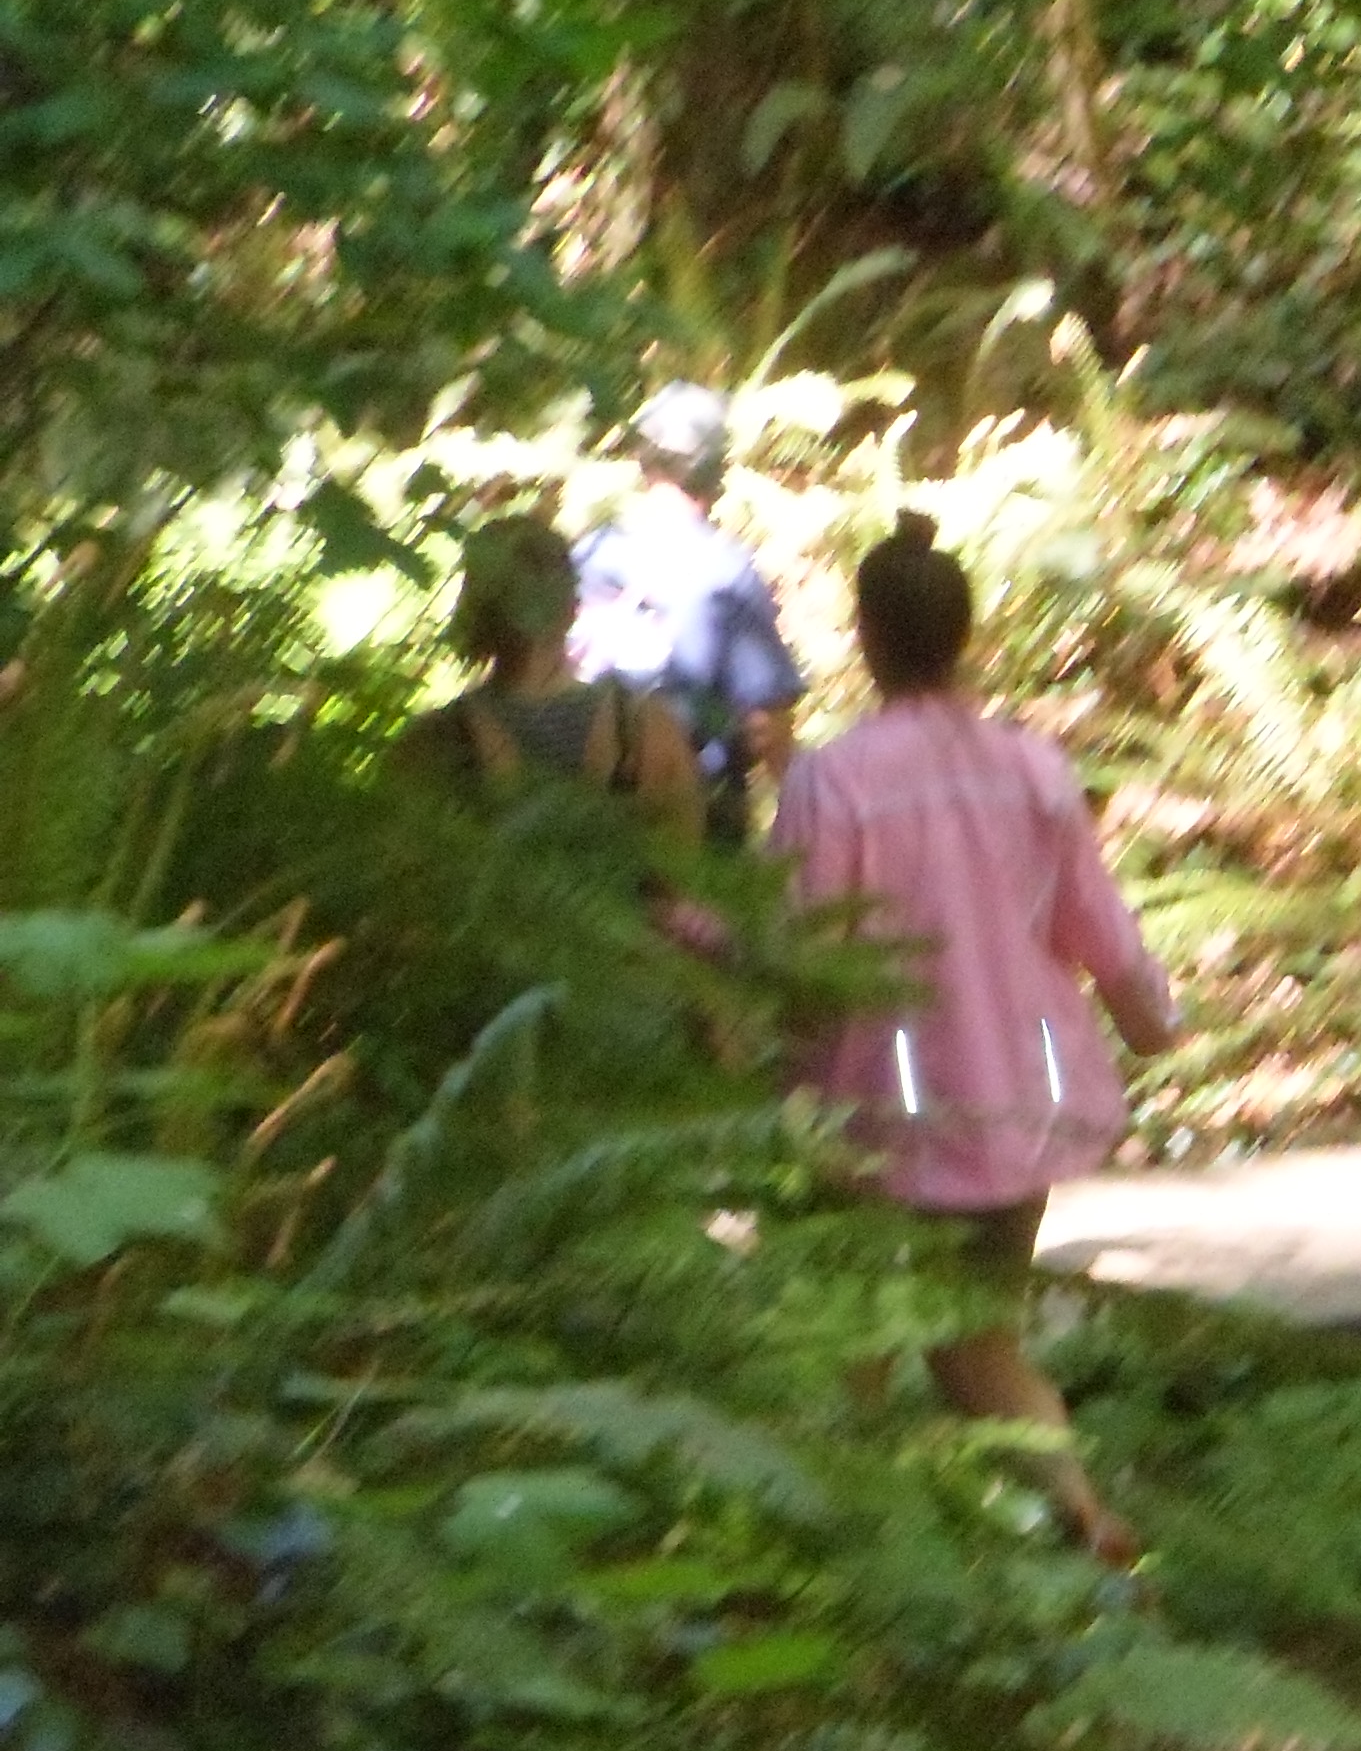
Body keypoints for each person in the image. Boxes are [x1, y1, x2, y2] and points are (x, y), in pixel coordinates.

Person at [770, 512, 1173, 1561]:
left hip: (879, 1106)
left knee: (854, 1335)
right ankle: (1079, 1511)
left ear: (865, 637)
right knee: (976, 1334)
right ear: (967, 635)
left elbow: (807, 948)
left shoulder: (833, 783)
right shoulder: (1033, 770)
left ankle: (837, 1550)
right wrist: (1150, 1023)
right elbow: (1097, 925)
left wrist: (767, 1043)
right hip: (1015, 1101)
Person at [575, 382, 803, 846]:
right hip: (699, 829)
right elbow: (767, 726)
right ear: (713, 470)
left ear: (644, 461)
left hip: (584, 824)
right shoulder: (726, 570)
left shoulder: (589, 556)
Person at [416, 511, 707, 842]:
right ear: (572, 606)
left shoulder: (435, 743)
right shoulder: (646, 730)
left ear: (475, 608)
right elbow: (683, 862)